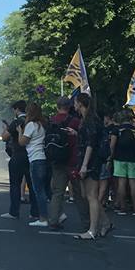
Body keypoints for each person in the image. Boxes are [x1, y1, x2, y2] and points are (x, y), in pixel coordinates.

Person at [74, 93, 112, 240]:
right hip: (89, 160)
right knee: (87, 195)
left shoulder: (89, 120)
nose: (74, 105)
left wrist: (84, 165)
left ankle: (92, 230)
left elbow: (90, 144)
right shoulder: (89, 119)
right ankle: (105, 223)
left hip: (91, 161)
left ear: (80, 104)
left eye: (76, 102)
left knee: (91, 196)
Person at [46, 96, 82, 230]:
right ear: (70, 106)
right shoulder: (76, 122)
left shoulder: (51, 121)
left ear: (57, 107)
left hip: (56, 160)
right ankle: (87, 222)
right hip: (73, 161)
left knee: (57, 192)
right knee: (79, 193)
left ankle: (54, 220)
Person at [19, 103, 50, 227]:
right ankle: (58, 214)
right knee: (46, 189)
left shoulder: (31, 125)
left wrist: (20, 131)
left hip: (35, 159)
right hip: (43, 158)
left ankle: (43, 218)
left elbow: (22, 142)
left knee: (39, 191)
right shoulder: (42, 125)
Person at [0, 100, 30, 220]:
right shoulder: (31, 121)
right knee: (32, 185)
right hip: (31, 155)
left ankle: (14, 212)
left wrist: (5, 128)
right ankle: (35, 212)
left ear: (17, 109)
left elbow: (4, 137)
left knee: (15, 184)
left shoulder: (16, 122)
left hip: (17, 155)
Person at [109, 109, 135, 215]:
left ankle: (122, 207)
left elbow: (112, 145)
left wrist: (110, 157)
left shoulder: (117, 130)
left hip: (119, 158)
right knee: (133, 183)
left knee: (121, 182)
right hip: (133, 159)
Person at [97, 111, 116, 210]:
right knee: (110, 180)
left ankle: (100, 201)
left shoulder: (104, 130)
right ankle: (106, 200)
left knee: (103, 180)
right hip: (114, 157)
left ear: (107, 118)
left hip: (104, 157)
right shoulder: (115, 129)